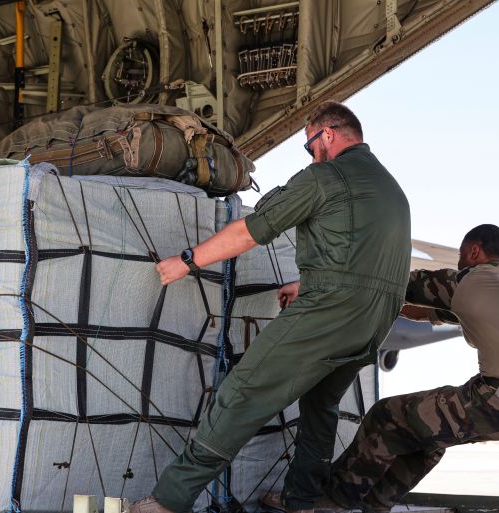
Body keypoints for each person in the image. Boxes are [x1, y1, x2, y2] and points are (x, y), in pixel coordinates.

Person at [130, 101, 412, 513]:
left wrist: (187, 260)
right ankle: (302, 500)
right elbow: (361, 261)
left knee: (244, 391)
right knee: (321, 404)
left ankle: (169, 500)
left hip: (330, 313)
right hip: (373, 322)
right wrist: (310, 282)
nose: (311, 154)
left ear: (327, 135)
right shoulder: (392, 190)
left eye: (309, 145)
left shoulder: (325, 177)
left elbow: (251, 231)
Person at [325, 224, 499, 512]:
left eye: (460, 256)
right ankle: (375, 504)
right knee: (427, 437)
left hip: (496, 403)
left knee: (385, 416)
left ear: (474, 251)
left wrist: (339, 289)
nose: (457, 263)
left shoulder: (469, 282)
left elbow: (399, 285)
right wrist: (391, 307)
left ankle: (332, 501)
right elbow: (419, 310)